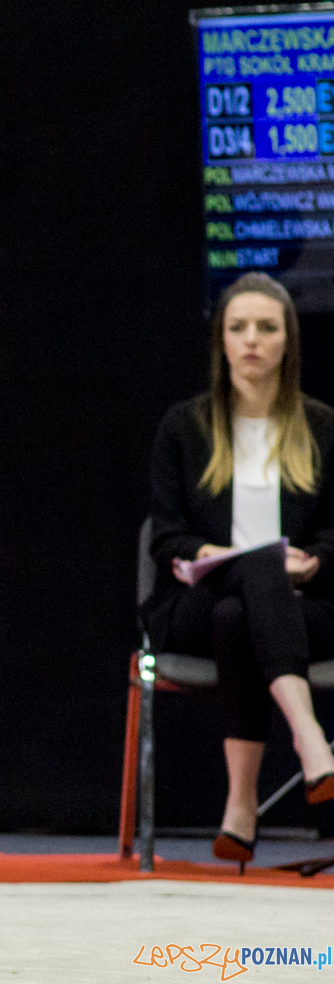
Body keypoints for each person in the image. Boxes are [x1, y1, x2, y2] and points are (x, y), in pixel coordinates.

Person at [146, 272, 334, 865]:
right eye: (239, 327)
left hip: (302, 608)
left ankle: (241, 807)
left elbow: (333, 535)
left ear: (288, 341)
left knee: (243, 608)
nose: (252, 339)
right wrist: (203, 553)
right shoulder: (185, 426)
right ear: (221, 341)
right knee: (248, 581)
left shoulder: (323, 427)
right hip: (195, 605)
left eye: (267, 328)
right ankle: (310, 738)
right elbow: (166, 535)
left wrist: (315, 562)